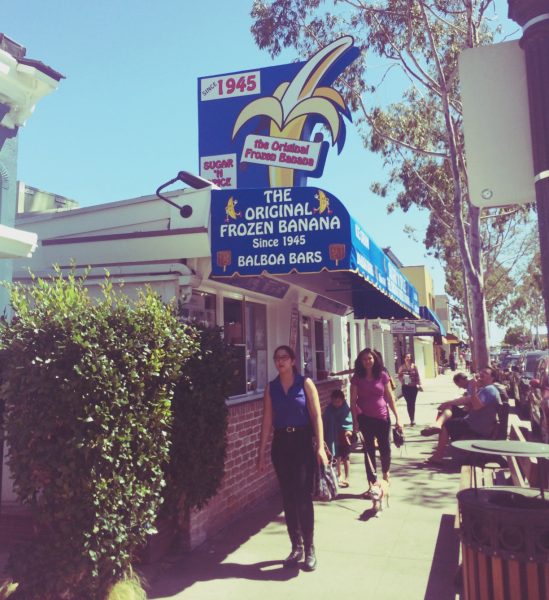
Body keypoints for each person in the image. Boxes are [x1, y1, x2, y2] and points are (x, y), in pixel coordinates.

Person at [257, 345, 328, 571]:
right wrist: (261, 453)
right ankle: (295, 546)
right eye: (277, 358)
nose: (280, 362)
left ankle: (309, 548)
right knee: (288, 497)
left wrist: (319, 447)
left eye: (284, 358)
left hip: (302, 443)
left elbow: (316, 416)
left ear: (293, 360)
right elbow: (267, 421)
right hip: (281, 445)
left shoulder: (305, 383)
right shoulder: (271, 388)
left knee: (303, 497)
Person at [350, 348, 402, 496]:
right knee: (369, 452)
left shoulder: (382, 375)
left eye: (370, 358)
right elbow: (353, 402)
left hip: (382, 418)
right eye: (364, 359)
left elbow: (390, 398)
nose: (367, 361)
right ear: (361, 361)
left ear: (375, 360)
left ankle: (386, 474)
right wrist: (355, 423)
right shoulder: (357, 378)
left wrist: (398, 418)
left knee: (385, 449)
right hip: (365, 419)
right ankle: (372, 483)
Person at [426, 366, 501, 464]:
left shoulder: (490, 390)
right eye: (481, 371)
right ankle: (437, 424)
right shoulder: (485, 389)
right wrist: (450, 402)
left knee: (447, 425)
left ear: (492, 378)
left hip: (477, 427)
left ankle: (438, 455)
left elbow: (477, 406)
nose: (481, 374)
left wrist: (474, 389)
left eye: (485, 373)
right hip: (474, 421)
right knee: (450, 406)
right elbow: (470, 402)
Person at [420, 372, 473, 436]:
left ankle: (437, 425)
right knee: (446, 410)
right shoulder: (469, 387)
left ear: (461, 380)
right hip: (469, 412)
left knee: (446, 418)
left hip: (471, 415)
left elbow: (468, 400)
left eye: (458, 384)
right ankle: (437, 425)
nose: (459, 387)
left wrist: (447, 403)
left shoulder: (472, 385)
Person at [322, 389, 353, 487]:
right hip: (332, 436)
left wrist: (349, 430)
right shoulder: (329, 409)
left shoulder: (345, 409)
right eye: (334, 402)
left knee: (346, 457)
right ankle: (339, 475)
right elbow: (325, 421)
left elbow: (349, 421)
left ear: (343, 400)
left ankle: (347, 477)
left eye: (338, 402)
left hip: (343, 436)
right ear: (331, 400)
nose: (336, 404)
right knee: (337, 456)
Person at [397, 353, 422, 426]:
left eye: (409, 357)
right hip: (405, 387)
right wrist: (402, 380)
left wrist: (419, 384)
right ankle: (411, 418)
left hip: (413, 387)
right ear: (404, 358)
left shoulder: (414, 366)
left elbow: (417, 376)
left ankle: (412, 419)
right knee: (409, 403)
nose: (408, 358)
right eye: (407, 357)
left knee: (412, 403)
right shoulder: (402, 367)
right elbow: (399, 376)